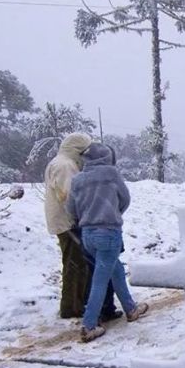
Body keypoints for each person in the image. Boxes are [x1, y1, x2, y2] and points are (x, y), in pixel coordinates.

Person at [66, 143, 148, 342]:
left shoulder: (78, 179)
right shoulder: (111, 174)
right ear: (106, 157)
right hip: (108, 233)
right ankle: (89, 325)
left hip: (87, 234)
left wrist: (88, 216)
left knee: (115, 269)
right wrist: (112, 213)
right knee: (101, 279)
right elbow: (125, 199)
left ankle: (130, 309)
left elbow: (70, 208)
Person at [43, 132, 119, 320]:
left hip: (65, 219)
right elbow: (71, 195)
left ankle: (79, 303)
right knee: (74, 264)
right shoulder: (65, 165)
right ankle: (71, 308)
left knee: (78, 263)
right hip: (67, 222)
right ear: (78, 150)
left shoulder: (61, 162)